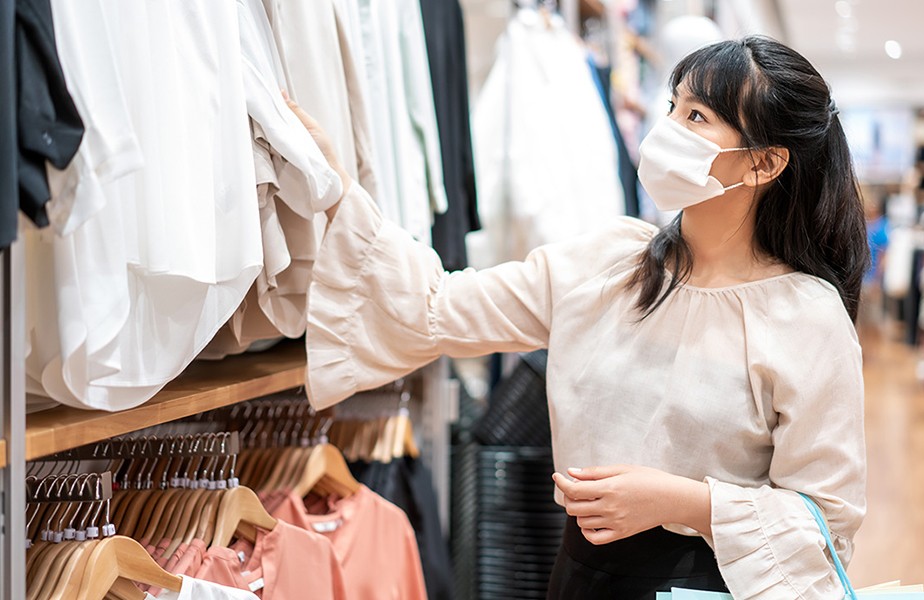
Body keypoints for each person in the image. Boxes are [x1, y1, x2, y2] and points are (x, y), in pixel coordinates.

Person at [289, 34, 869, 600]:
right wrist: (339, 192)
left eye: (697, 117)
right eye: (673, 106)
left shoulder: (805, 316)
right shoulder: (607, 265)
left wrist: (682, 500)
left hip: (720, 583)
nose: (666, 128)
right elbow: (436, 307)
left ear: (764, 163)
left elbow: (826, 517)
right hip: (581, 573)